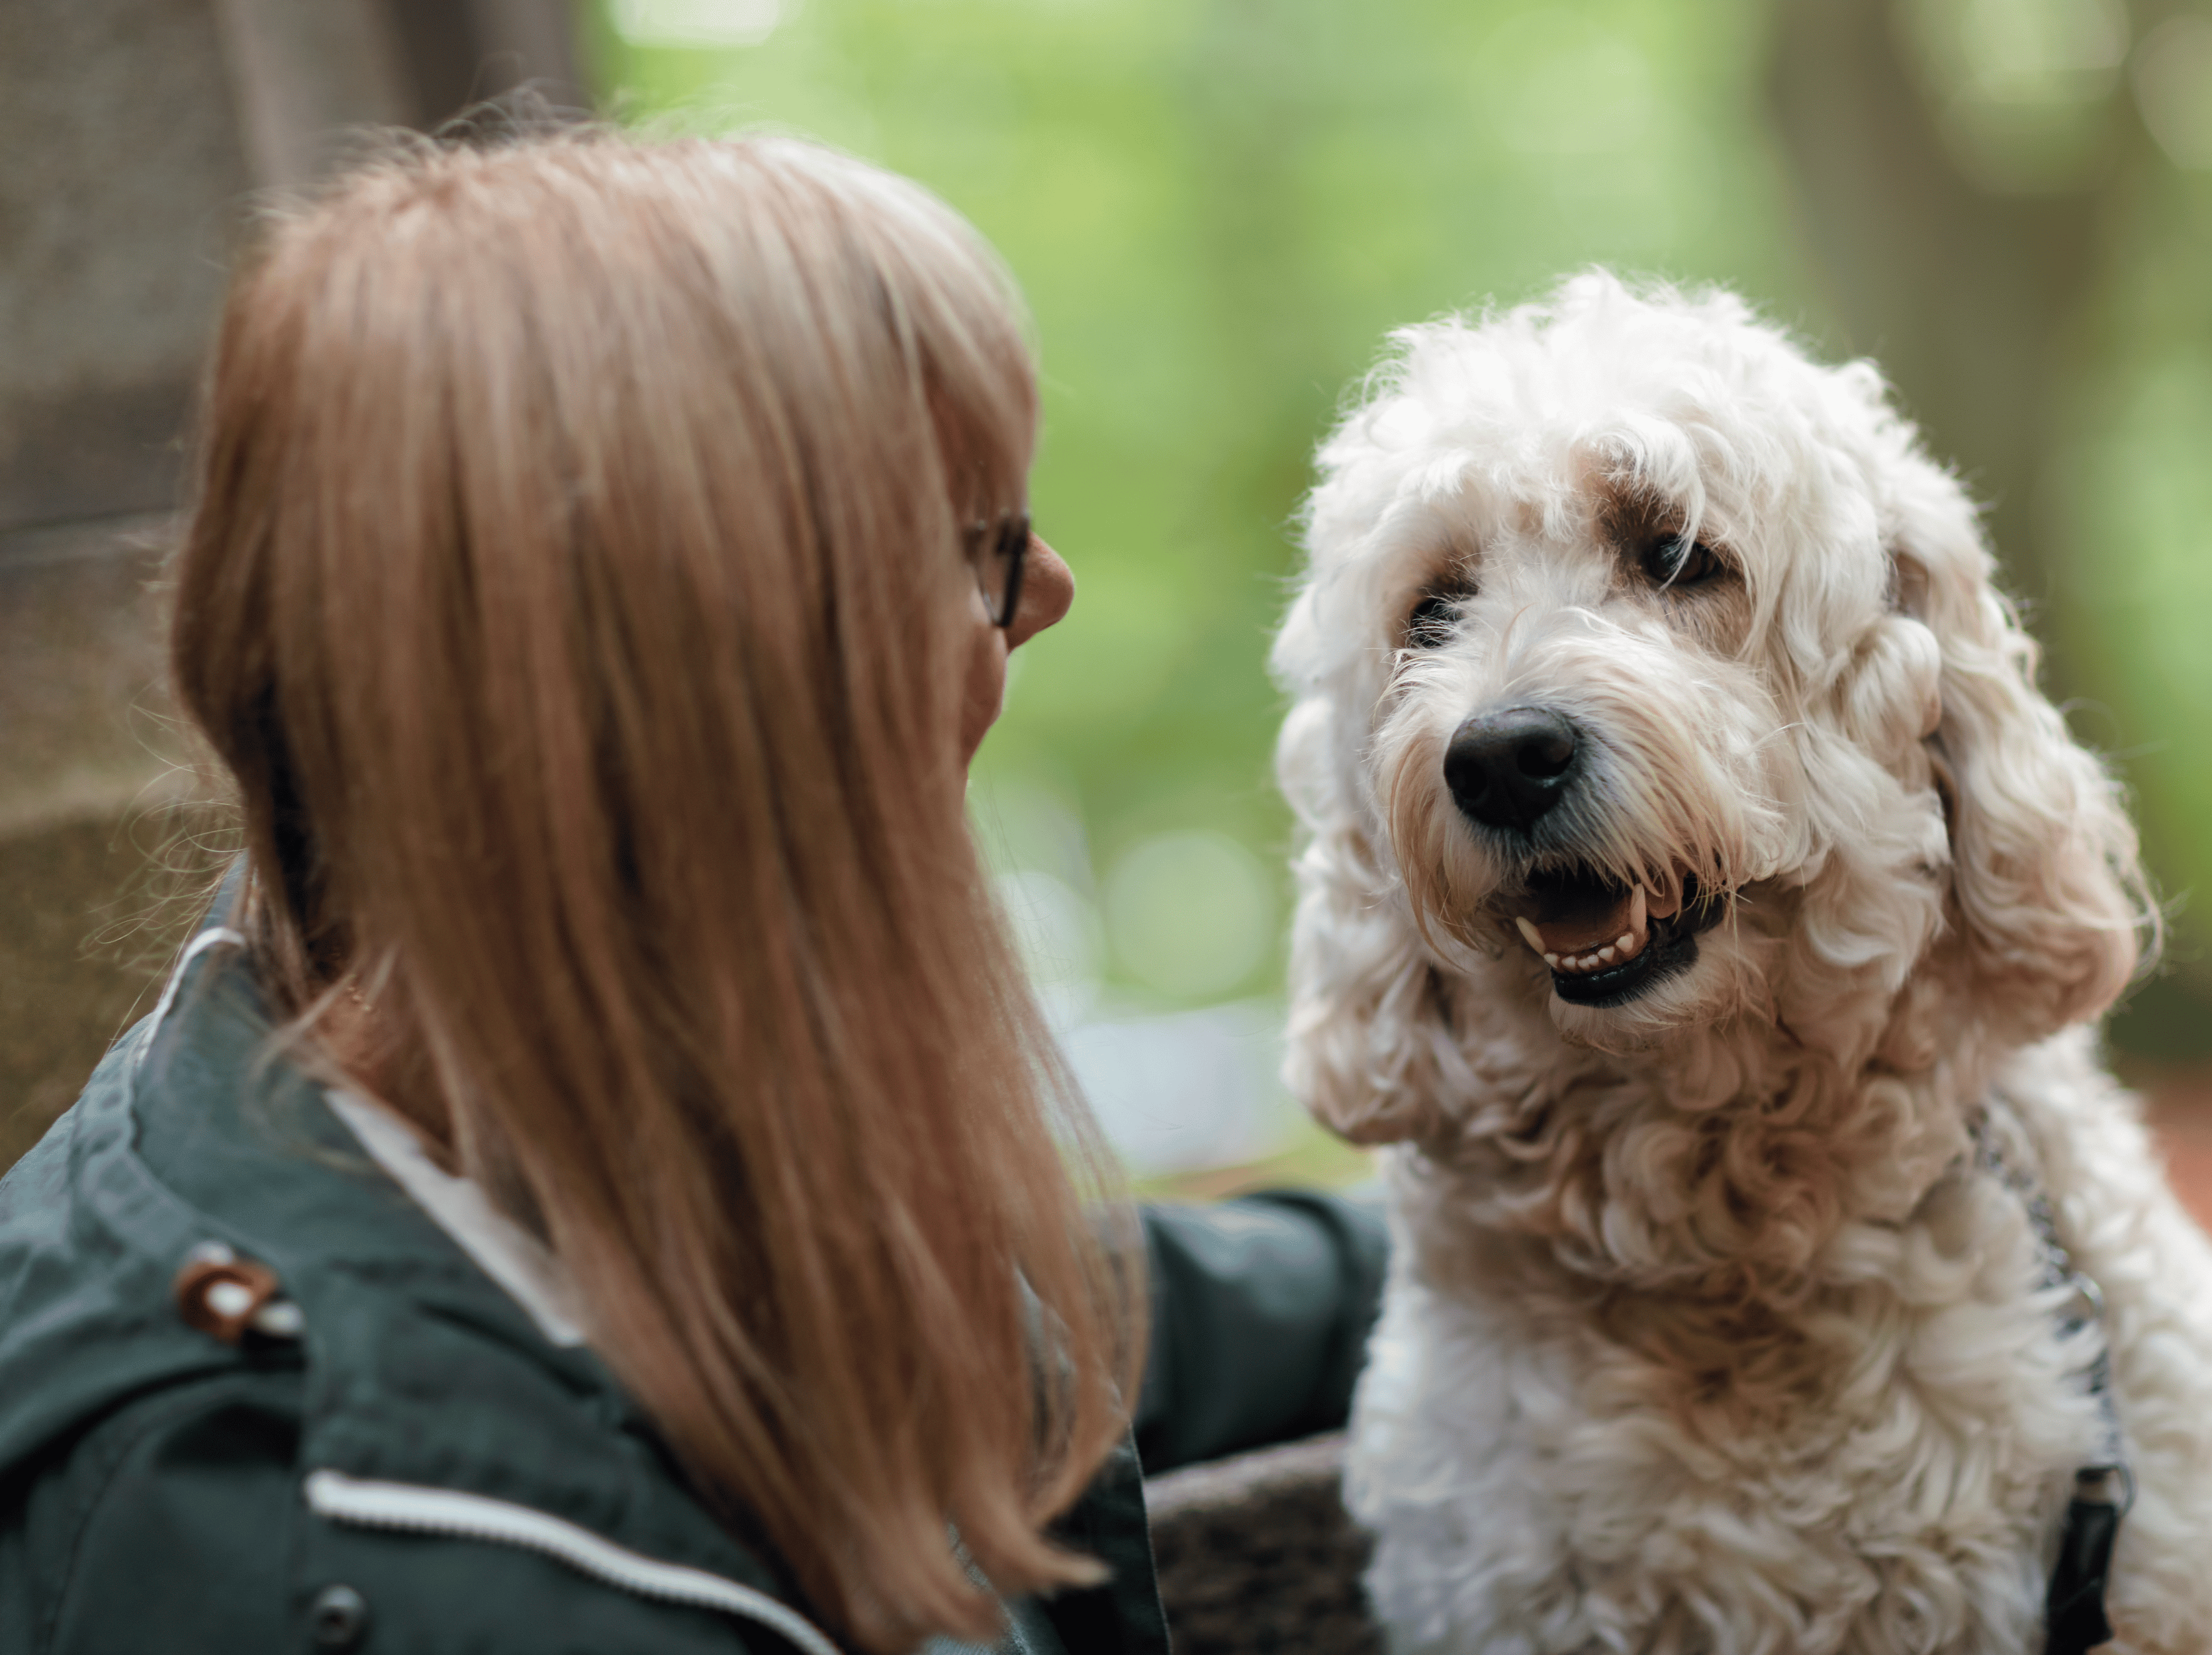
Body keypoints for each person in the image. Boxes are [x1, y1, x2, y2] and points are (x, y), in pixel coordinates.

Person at [0, 129, 1382, 1655]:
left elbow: (971, 1316)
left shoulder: (475, 1079)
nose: (1045, 593)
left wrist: (1542, 1246)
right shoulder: (363, 1576)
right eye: (978, 546)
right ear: (722, 711)